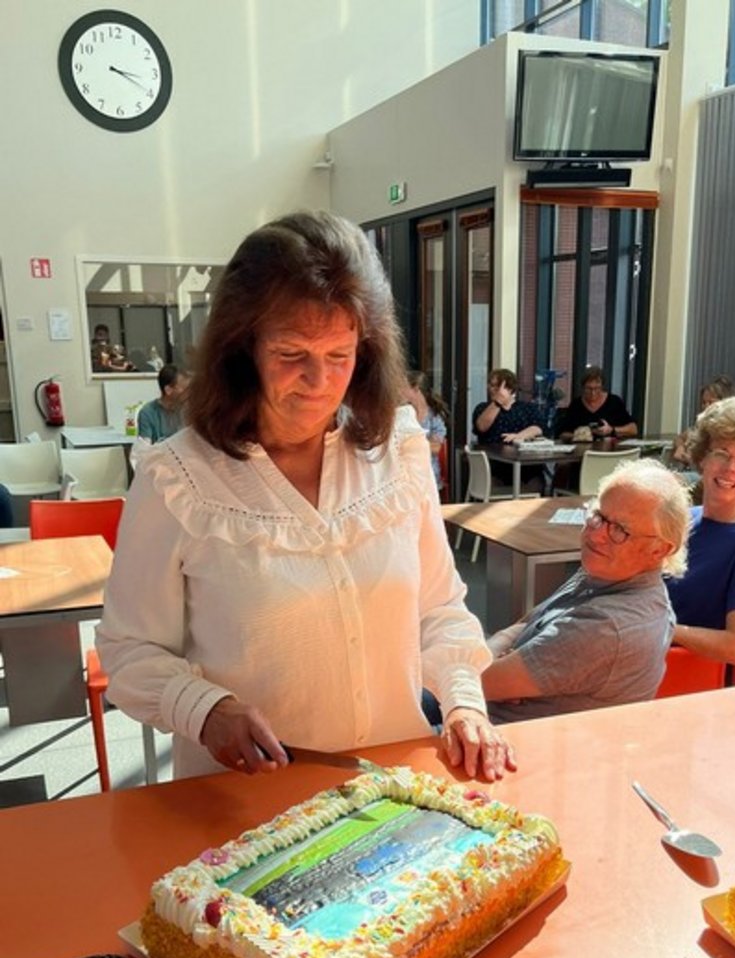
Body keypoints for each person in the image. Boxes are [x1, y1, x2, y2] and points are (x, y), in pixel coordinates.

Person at [97, 210, 513, 783]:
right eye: (292, 354)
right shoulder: (177, 479)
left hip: (392, 789)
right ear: (243, 349)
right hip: (247, 796)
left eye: (339, 356)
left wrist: (463, 700)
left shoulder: (399, 451)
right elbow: (129, 649)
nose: (319, 382)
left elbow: (439, 609)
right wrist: (204, 709)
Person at [481, 458, 689, 721]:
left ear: (659, 549)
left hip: (504, 737)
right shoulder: (605, 573)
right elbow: (529, 622)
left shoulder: (606, 627)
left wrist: (494, 657)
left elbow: (476, 683)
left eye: (620, 530)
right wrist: (501, 651)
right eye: (598, 516)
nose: (597, 534)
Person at [667, 395, 735, 665]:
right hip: (643, 658)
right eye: (722, 453)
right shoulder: (684, 519)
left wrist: (663, 628)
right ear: (702, 457)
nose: (731, 469)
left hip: (688, 674)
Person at [670, 374, 735, 470]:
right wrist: (680, 447)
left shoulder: (727, 430)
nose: (706, 406)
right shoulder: (701, 424)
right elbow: (681, 437)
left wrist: (692, 460)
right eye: (704, 402)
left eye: (711, 402)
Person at [557, 367, 637, 441]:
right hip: (583, 449)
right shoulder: (576, 405)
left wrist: (612, 430)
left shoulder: (614, 402)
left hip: (610, 449)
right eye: (589, 389)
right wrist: (577, 436)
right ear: (583, 388)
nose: (593, 393)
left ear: (602, 387)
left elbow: (633, 429)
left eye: (597, 388)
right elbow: (562, 434)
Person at [472, 369, 544, 445]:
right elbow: (481, 428)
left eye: (497, 386)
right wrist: (497, 402)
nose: (492, 389)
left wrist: (519, 436)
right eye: (491, 385)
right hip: (490, 451)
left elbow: (538, 428)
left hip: (519, 450)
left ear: (510, 388)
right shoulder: (482, 407)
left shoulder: (527, 408)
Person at [404, 370, 448, 493]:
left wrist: (409, 444)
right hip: (406, 475)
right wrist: (424, 442)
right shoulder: (403, 413)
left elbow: (436, 448)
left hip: (428, 474)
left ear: (416, 389)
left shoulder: (434, 416)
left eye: (404, 387)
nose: (400, 390)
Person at [136, 364, 191, 445]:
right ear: (168, 390)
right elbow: (145, 448)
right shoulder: (147, 413)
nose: (189, 393)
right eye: (185, 389)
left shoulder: (189, 411)